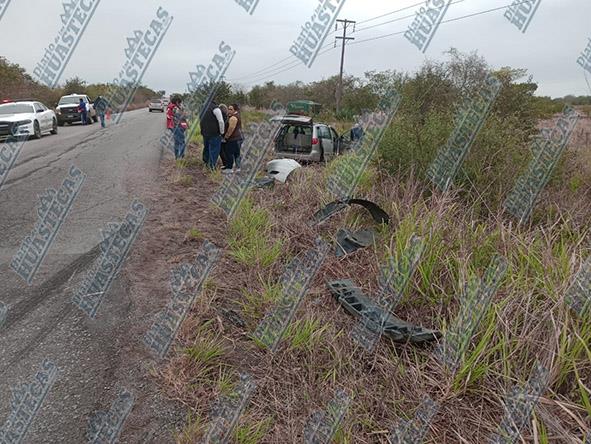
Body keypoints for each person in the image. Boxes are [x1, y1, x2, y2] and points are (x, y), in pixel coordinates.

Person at [200, 100, 225, 170]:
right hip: (214, 133)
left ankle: (205, 163)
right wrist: (222, 132)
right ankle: (211, 167)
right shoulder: (216, 108)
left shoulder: (202, 108)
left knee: (207, 148)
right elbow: (221, 121)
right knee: (214, 149)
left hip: (205, 133)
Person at [222, 103, 243, 173]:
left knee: (229, 153)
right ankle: (238, 168)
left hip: (233, 138)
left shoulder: (233, 118)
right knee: (237, 153)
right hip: (238, 138)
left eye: (231, 109)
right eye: (228, 109)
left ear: (235, 110)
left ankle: (229, 168)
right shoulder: (235, 116)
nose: (229, 110)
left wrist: (226, 137)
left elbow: (231, 128)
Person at [218, 104, 229, 169]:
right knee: (225, 149)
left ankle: (225, 163)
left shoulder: (221, 116)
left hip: (222, 135)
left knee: (221, 150)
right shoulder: (227, 116)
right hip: (226, 135)